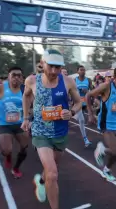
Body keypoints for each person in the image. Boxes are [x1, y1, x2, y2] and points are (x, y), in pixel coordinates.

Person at [21, 49, 82, 209]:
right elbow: (26, 96)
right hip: (41, 133)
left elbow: (78, 102)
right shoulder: (32, 81)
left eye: (58, 67)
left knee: (52, 170)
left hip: (60, 132)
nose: (54, 71)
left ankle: (41, 181)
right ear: (42, 63)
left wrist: (73, 111)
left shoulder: (68, 81)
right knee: (53, 174)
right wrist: (26, 117)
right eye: (51, 66)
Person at [87, 66, 116, 181]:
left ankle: (103, 156)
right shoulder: (107, 87)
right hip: (105, 124)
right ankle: (106, 170)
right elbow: (89, 95)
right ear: (114, 78)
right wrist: (90, 114)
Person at [0, 67, 28, 178]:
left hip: (20, 123)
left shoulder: (25, 89)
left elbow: (32, 104)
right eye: (14, 75)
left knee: (24, 147)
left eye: (19, 75)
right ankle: (8, 156)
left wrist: (30, 117)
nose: (16, 78)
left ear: (22, 78)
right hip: (5, 125)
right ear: (8, 76)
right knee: (7, 150)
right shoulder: (1, 88)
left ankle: (16, 168)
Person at [73, 65, 92, 147]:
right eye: (81, 70)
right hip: (78, 103)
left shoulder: (88, 80)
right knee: (82, 120)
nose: (83, 71)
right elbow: (71, 92)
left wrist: (87, 91)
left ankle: (74, 115)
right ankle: (85, 139)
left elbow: (93, 90)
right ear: (77, 71)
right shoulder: (74, 80)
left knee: (91, 118)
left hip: (86, 103)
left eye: (84, 70)